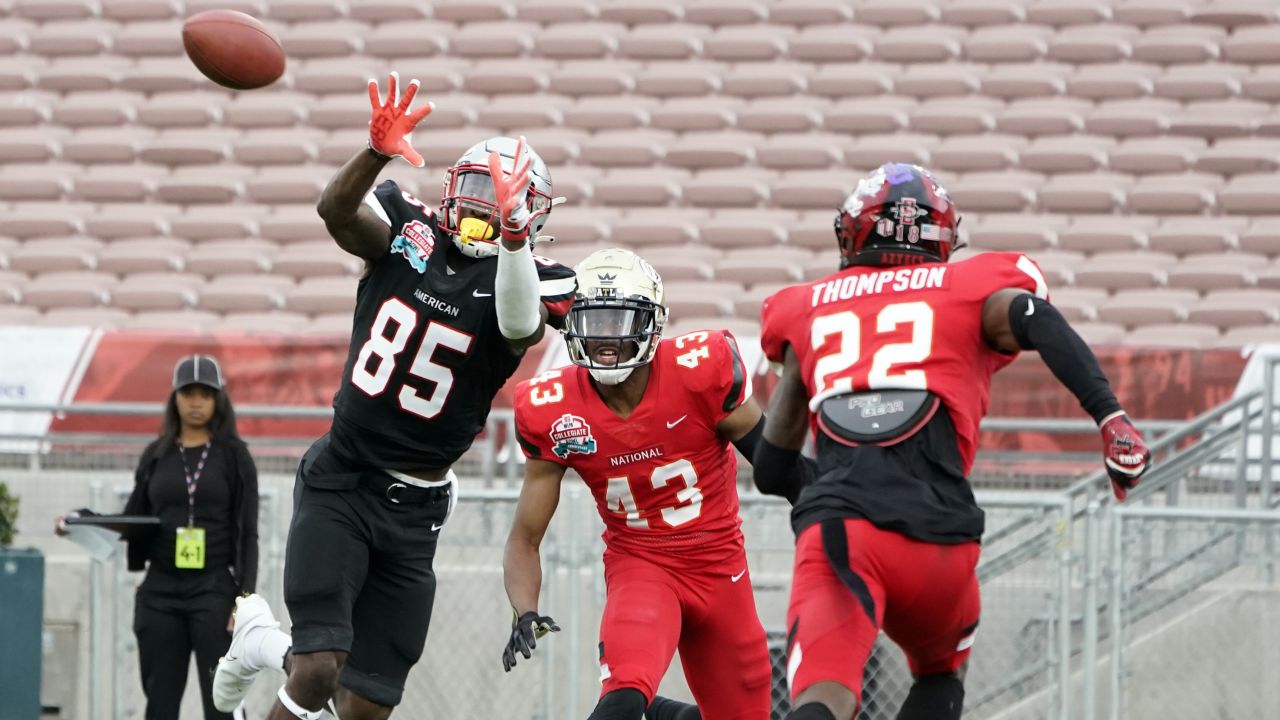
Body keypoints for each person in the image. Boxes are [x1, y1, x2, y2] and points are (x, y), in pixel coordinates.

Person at [210, 71, 576, 720]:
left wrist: (514, 241)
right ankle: (266, 646)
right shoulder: (409, 228)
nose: (483, 207)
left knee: (367, 706)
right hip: (343, 478)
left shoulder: (535, 278)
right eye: (475, 190)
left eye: (505, 200)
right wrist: (374, 151)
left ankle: (260, 639)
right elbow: (336, 214)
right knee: (320, 668)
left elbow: (519, 326)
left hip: (417, 510)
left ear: (532, 213)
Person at [754, 163, 1152, 720]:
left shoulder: (805, 307)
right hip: (943, 542)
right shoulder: (970, 287)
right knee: (942, 674)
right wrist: (1110, 416)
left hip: (846, 534)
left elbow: (771, 471)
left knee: (825, 695)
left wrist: (840, 486)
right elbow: (1035, 316)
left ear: (853, 231)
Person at [505, 248, 804, 720]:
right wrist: (524, 610)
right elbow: (526, 536)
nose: (606, 340)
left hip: (720, 566)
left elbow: (781, 470)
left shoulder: (700, 371)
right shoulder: (552, 407)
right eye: (593, 321)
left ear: (651, 322)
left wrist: (845, 512)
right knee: (624, 696)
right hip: (641, 565)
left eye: (619, 322)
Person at [58, 354, 260, 720]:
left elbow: (249, 532)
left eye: (205, 393)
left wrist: (243, 599)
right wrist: (80, 520)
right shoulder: (156, 455)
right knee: (160, 705)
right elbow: (133, 516)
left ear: (218, 400)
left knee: (221, 703)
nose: (196, 401)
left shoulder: (235, 456)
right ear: (175, 398)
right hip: (160, 591)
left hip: (214, 591)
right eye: (188, 392)